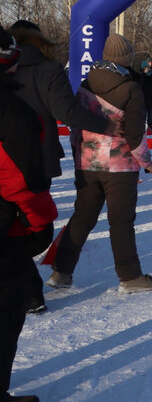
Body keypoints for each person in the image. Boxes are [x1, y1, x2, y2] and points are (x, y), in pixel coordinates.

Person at [9, 20, 116, 316]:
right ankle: (30, 291)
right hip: (35, 158)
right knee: (32, 223)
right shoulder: (48, 69)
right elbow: (66, 112)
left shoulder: (8, 68)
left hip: (4, 157)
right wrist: (108, 125)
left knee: (10, 224)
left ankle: (28, 290)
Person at [50, 33, 152, 294]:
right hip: (119, 167)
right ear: (127, 59)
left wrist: (80, 153)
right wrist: (147, 162)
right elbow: (135, 136)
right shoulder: (131, 88)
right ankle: (130, 276)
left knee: (81, 218)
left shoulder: (84, 85)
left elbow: (75, 124)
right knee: (121, 222)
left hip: (87, 164)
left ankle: (61, 272)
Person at [1, 25, 58, 402]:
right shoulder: (10, 109)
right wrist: (41, 224)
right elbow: (18, 179)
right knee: (5, 314)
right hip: (6, 231)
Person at [140, 58, 152, 132]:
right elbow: (141, 83)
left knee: (150, 112)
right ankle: (143, 126)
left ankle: (150, 126)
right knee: (144, 113)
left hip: (151, 95)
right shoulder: (141, 74)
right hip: (144, 96)